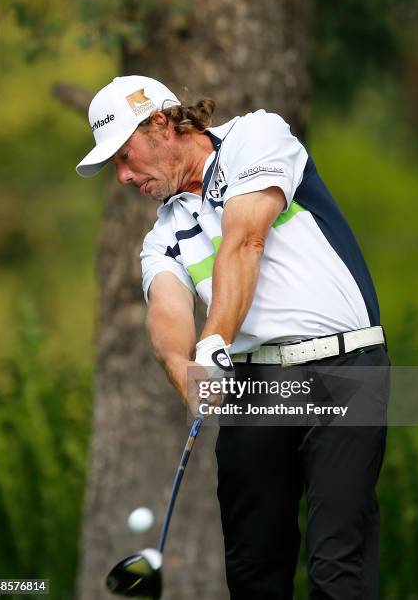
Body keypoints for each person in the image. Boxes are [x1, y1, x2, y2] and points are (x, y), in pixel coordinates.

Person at [76, 75, 390, 599]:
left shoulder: (257, 136)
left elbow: (246, 240)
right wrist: (188, 372)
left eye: (125, 156)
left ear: (160, 123)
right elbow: (168, 313)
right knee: (252, 567)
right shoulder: (161, 235)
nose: (124, 176)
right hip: (257, 386)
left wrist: (214, 337)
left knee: (338, 561)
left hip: (345, 366)